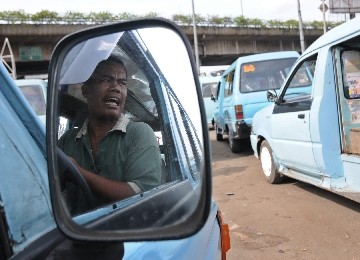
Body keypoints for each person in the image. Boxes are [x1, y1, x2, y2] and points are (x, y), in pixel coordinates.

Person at [58, 57, 162, 210]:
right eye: (106, 80)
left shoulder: (139, 133)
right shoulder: (68, 140)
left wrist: (79, 173)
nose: (116, 88)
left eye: (122, 82)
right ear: (85, 90)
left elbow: (142, 195)